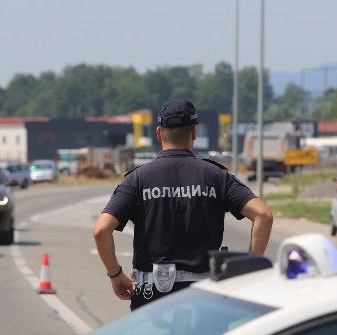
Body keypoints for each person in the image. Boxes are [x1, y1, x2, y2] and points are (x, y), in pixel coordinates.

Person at [93, 100, 274, 311]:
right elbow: (263, 215)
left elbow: (101, 230)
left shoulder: (138, 179)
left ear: (159, 134)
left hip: (152, 298)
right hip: (206, 297)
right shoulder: (216, 176)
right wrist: (246, 269)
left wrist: (115, 275)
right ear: (194, 132)